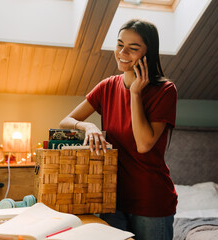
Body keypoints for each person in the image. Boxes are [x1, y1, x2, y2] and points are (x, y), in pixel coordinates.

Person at [59, 19, 177, 240]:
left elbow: (143, 144)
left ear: (148, 52)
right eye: (120, 44)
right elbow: (66, 121)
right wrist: (88, 125)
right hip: (110, 197)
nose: (122, 52)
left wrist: (135, 93)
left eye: (133, 48)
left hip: (150, 200)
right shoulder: (107, 86)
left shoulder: (166, 91)